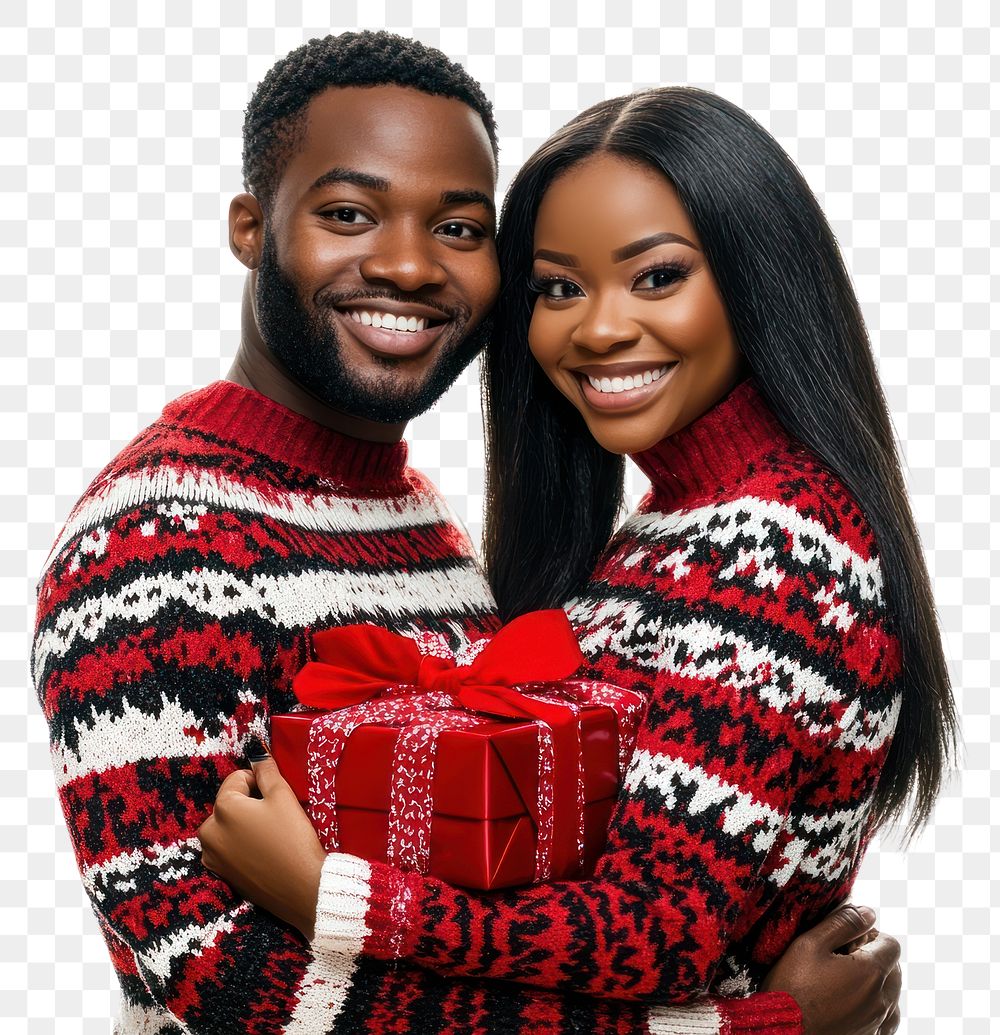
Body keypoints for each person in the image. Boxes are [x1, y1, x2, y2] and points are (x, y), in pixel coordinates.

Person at [32, 33, 900, 1035]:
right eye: (348, 213)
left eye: (457, 226)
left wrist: (340, 899)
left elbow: (595, 922)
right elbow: (228, 988)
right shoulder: (151, 550)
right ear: (249, 226)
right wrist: (748, 1030)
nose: (406, 264)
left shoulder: (433, 531)